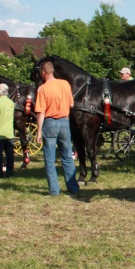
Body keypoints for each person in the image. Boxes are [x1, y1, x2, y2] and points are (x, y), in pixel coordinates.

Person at [35, 61, 79, 196]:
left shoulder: (42, 89)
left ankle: (54, 190)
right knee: (67, 156)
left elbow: (41, 113)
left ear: (43, 72)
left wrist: (38, 132)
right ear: (52, 71)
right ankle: (73, 187)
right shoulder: (65, 84)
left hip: (50, 123)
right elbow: (71, 104)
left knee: (50, 159)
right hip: (64, 122)